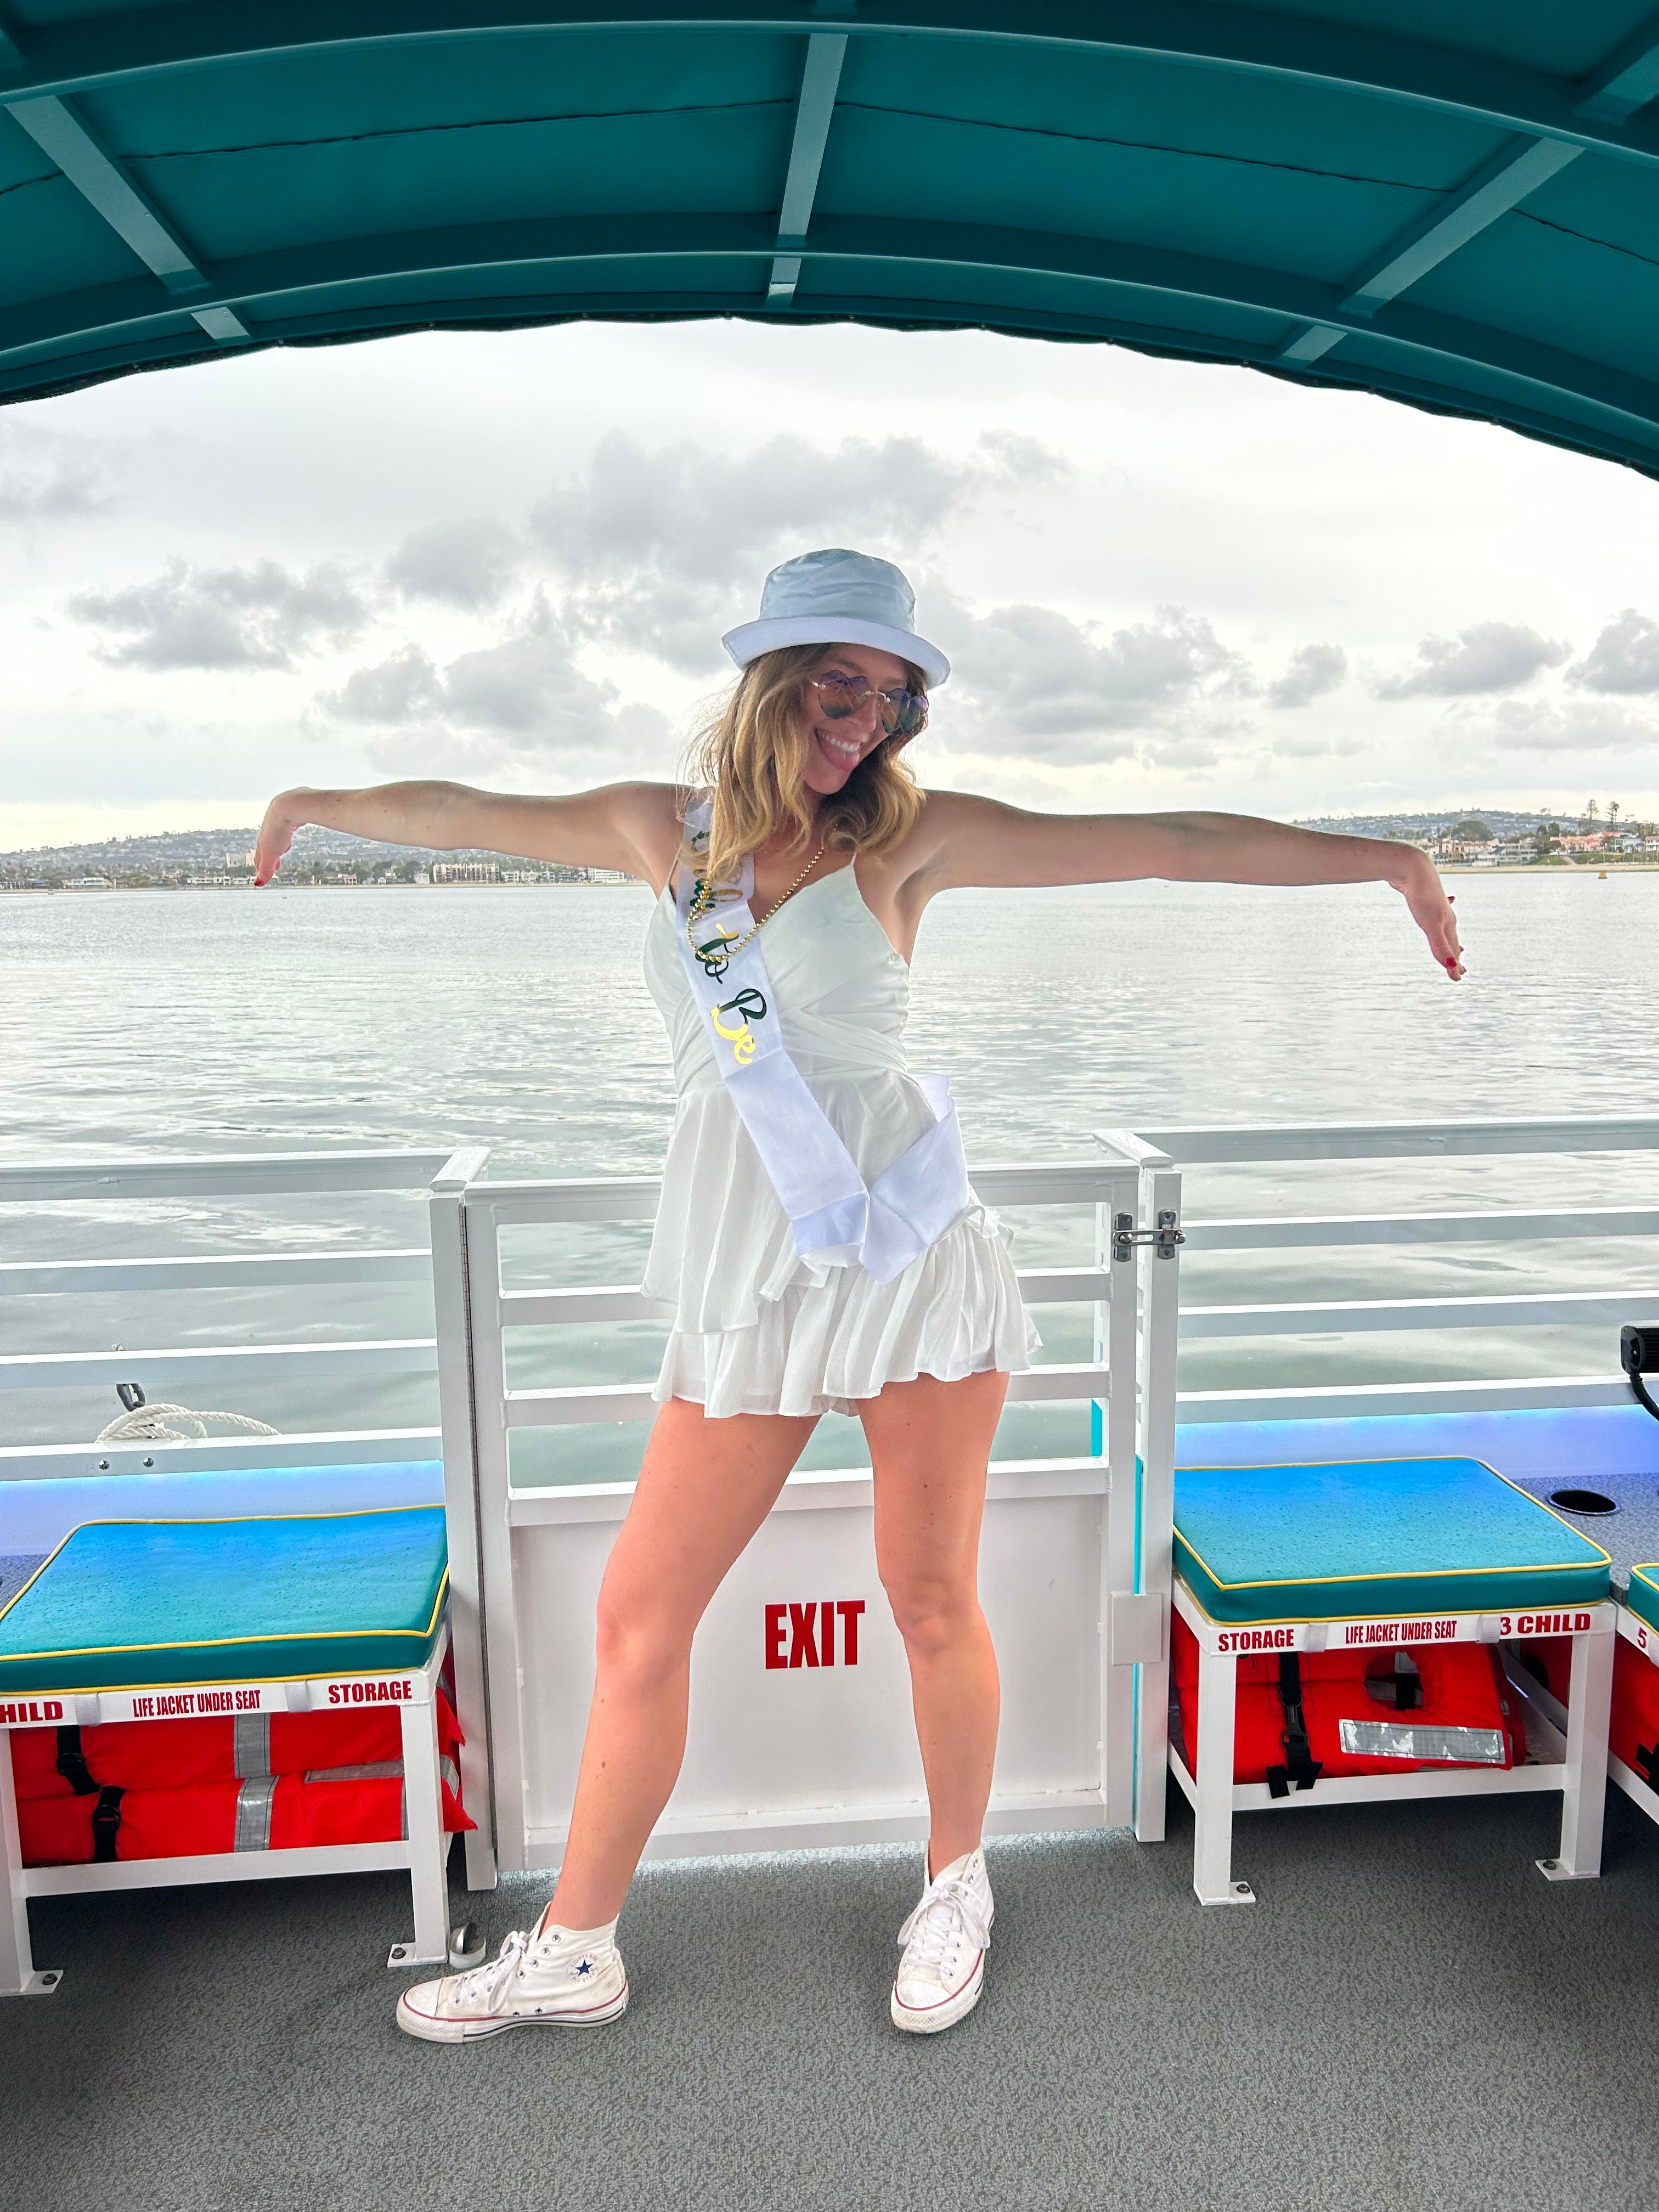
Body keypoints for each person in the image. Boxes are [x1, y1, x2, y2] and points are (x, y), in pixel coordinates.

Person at [253, 548, 1463, 2044]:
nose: (869, 722)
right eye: (845, 685)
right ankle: (577, 1943)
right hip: (751, 1274)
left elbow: (1168, 837)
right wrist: (315, 803)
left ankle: (957, 1881)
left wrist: (1388, 862)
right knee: (639, 1615)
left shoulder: (912, 843)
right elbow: (457, 812)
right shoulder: (662, 833)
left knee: (931, 1593)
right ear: (776, 680)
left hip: (906, 1255)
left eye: (895, 698)